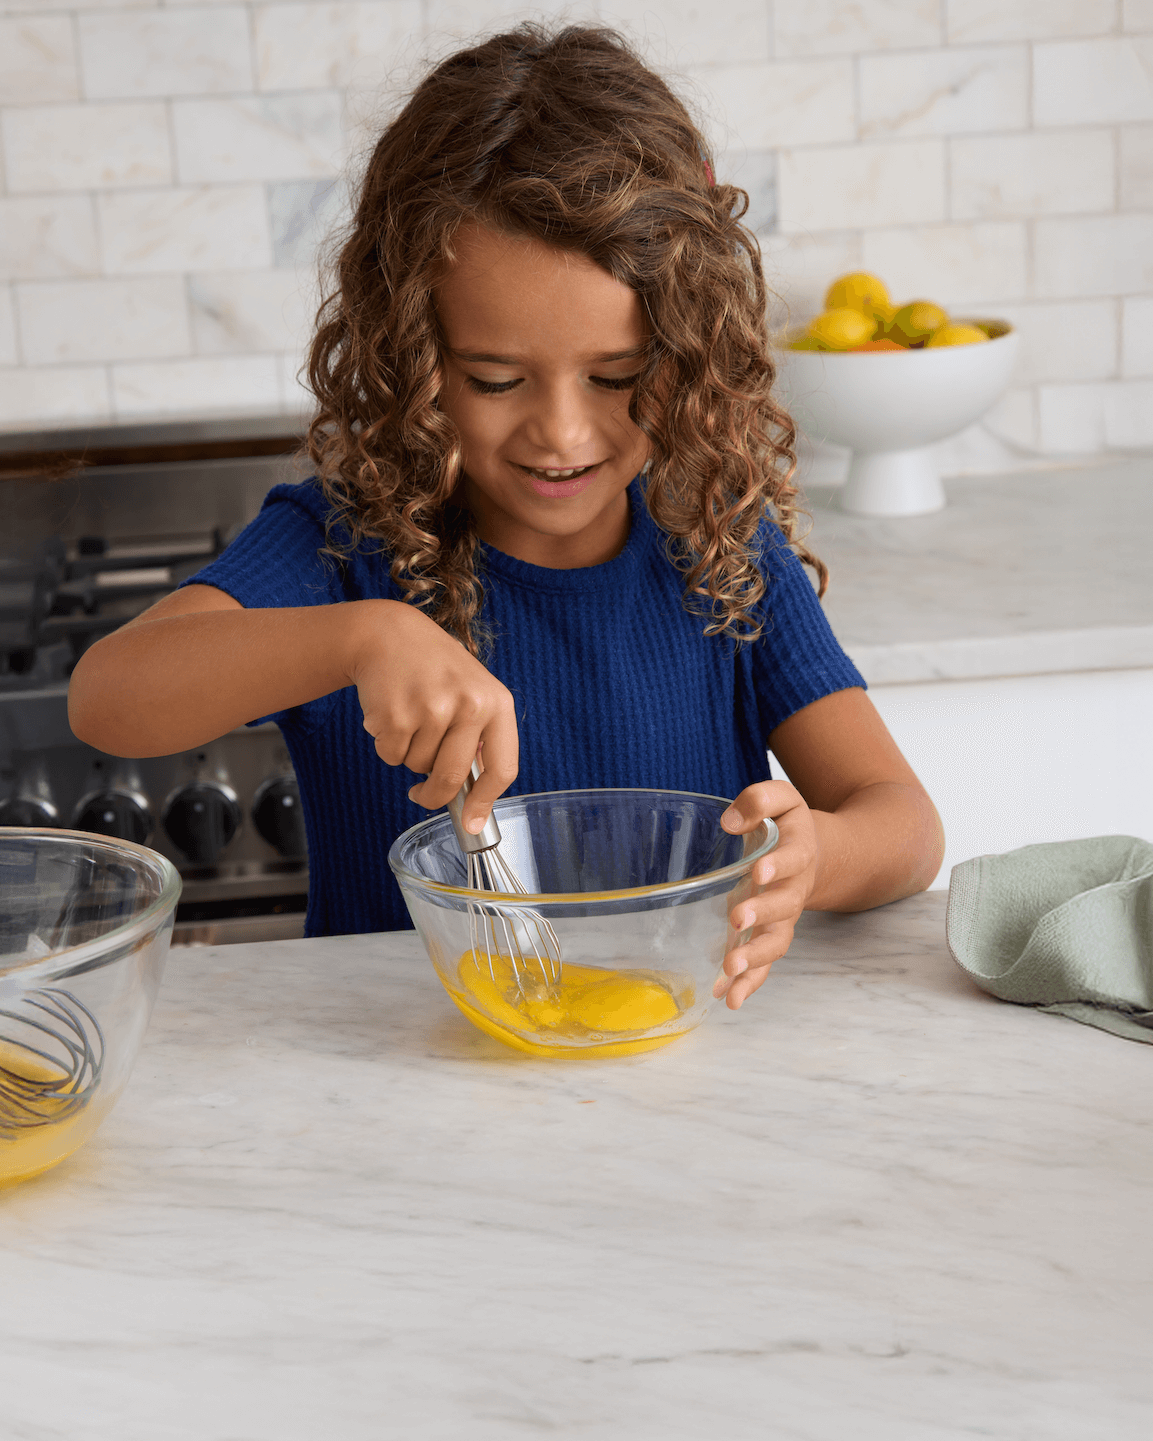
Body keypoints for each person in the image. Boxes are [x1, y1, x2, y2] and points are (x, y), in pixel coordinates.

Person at [69, 23, 943, 1012]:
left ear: (690, 349)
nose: (562, 432)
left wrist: (814, 857)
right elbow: (109, 698)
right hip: (406, 1084)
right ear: (412, 351)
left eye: (618, 376)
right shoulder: (346, 548)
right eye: (494, 379)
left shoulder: (717, 543)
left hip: (678, 1078)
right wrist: (359, 636)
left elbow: (904, 824)